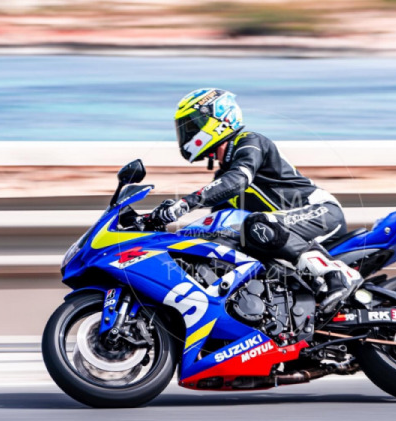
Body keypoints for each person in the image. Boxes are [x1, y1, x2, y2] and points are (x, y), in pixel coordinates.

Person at [150, 88, 360, 313]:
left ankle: (337, 274)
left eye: (193, 124)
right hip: (281, 232)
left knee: (256, 224)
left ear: (219, 118)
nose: (188, 132)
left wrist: (185, 203)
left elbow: (238, 179)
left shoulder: (249, 142)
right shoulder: (222, 178)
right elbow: (215, 226)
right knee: (229, 241)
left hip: (320, 211)